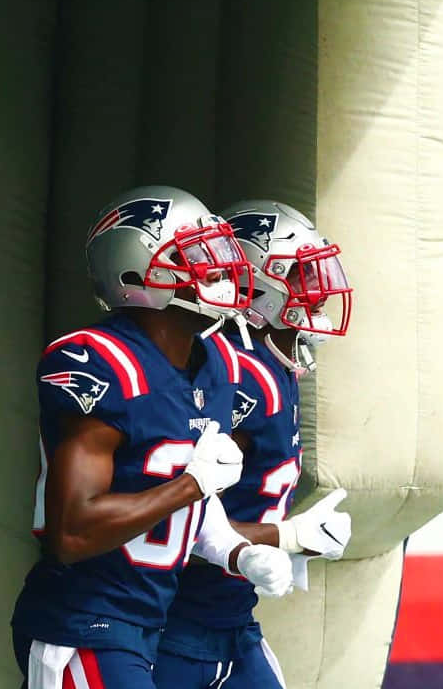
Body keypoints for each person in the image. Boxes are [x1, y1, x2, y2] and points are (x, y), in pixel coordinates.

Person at [11, 186, 294, 689]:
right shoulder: (98, 359)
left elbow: (191, 506)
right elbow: (73, 533)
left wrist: (236, 551)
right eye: (197, 257)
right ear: (137, 271)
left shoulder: (217, 365)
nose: (219, 270)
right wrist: (189, 485)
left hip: (149, 623)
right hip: (82, 623)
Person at [152, 200, 356, 689]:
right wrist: (287, 537)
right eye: (304, 277)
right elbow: (175, 519)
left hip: (231, 621)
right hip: (175, 625)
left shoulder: (275, 368)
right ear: (259, 286)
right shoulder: (234, 373)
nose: (320, 292)